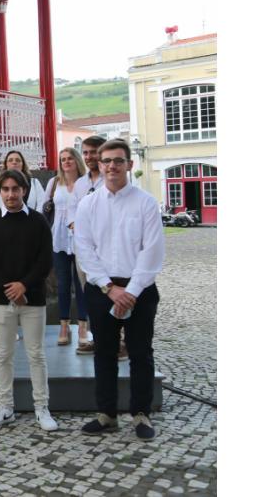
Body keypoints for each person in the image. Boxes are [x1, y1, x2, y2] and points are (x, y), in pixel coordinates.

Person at [75, 139, 165, 441]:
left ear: (129, 164)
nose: (112, 166)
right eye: (106, 161)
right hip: (102, 288)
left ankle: (141, 413)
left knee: (141, 353)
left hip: (140, 288)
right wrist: (109, 288)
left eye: (118, 160)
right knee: (104, 352)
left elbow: (152, 251)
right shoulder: (88, 204)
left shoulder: (146, 203)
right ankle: (107, 414)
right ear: (99, 165)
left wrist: (132, 291)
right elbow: (85, 250)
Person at [0, 169, 58, 432]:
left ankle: (42, 407)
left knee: (36, 354)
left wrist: (24, 285)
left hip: (32, 298)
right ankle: (5, 407)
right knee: (3, 355)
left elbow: (44, 260)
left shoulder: (38, 221)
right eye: (6, 189)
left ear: (24, 190)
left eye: (15, 189)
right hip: (2, 299)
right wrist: (10, 288)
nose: (11, 194)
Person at [43, 148, 89, 348]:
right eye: (63, 159)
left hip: (81, 237)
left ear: (77, 160)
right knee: (62, 282)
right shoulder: (54, 182)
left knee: (81, 283)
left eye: (70, 158)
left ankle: (82, 327)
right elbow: (44, 207)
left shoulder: (85, 183)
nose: (66, 162)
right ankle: (64, 326)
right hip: (59, 237)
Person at [71, 134, 108, 357]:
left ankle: (119, 339)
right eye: (85, 152)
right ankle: (97, 337)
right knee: (90, 294)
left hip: (106, 247)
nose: (89, 156)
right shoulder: (80, 184)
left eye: (94, 152)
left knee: (109, 291)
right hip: (84, 248)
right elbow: (73, 213)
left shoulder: (110, 179)